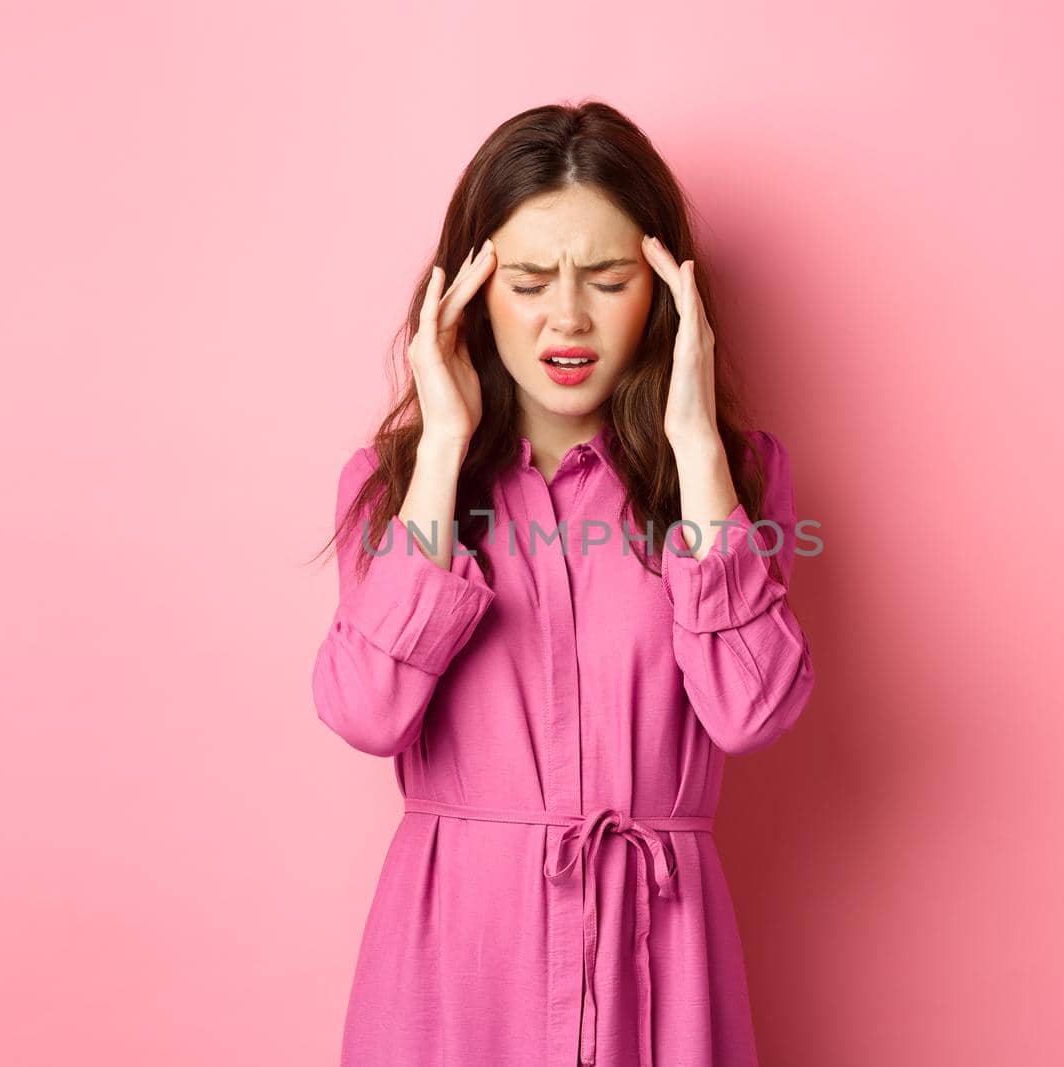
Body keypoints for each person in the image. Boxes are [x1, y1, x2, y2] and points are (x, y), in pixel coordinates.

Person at [310, 100, 816, 1066]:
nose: (568, 317)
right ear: (466, 294)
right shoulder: (395, 487)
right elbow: (368, 711)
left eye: (610, 278)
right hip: (456, 964)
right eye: (531, 280)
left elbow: (751, 711)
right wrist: (445, 446)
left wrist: (698, 445)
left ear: (666, 295)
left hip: (660, 956)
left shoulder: (738, 477)